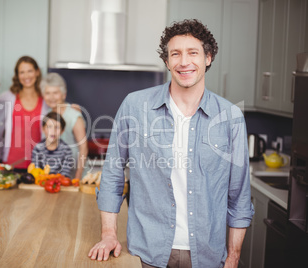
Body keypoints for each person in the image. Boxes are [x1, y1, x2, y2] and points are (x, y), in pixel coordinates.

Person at [88, 19, 254, 268]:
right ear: (167, 62)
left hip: (209, 256)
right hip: (146, 253)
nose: (184, 61)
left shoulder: (230, 117)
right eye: (175, 54)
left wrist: (233, 256)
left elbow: (238, 195)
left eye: (193, 53)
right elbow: (113, 175)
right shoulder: (135, 106)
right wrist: (108, 235)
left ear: (208, 58)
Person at [0, 56, 49, 172]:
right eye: (22, 72)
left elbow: (59, 106)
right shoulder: (8, 97)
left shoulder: (45, 98)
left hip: (38, 164)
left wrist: (71, 107)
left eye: (30, 71)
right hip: (11, 162)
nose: (26, 76)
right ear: (17, 75)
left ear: (37, 72)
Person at [40, 73, 88, 179]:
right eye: (47, 93)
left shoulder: (74, 114)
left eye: (55, 93)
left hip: (74, 174)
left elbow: (83, 147)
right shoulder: (47, 114)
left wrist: (78, 175)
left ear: (64, 94)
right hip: (55, 175)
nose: (51, 97)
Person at [31, 112, 74, 178]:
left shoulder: (66, 150)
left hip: (59, 184)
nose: (53, 131)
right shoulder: (37, 149)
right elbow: (36, 171)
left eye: (57, 127)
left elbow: (65, 174)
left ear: (62, 131)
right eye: (49, 127)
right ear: (43, 129)